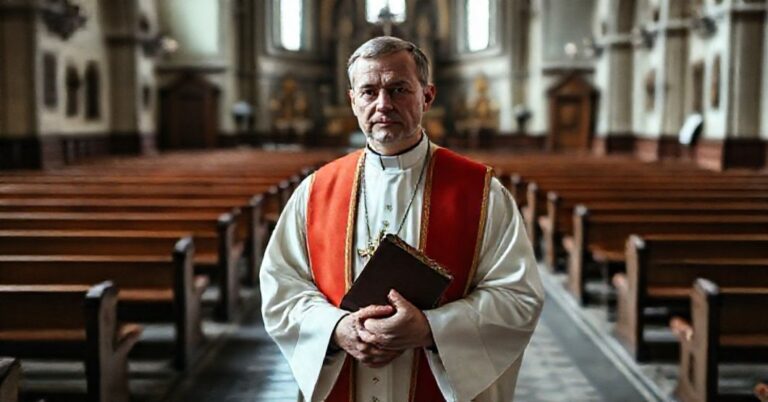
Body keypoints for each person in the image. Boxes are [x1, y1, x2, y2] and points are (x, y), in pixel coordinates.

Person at [260, 36, 544, 402]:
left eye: (399, 89)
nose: (383, 105)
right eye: (369, 91)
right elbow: (281, 288)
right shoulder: (315, 191)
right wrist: (336, 328)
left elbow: (517, 296)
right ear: (352, 101)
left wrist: (431, 328)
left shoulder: (483, 192)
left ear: (427, 96)